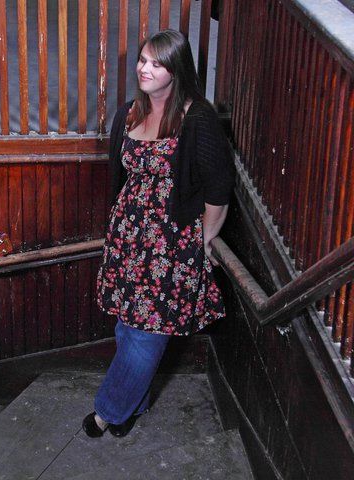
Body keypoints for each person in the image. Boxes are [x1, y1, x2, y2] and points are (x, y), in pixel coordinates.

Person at [83, 30, 234, 438]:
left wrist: (202, 242)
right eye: (143, 60)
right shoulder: (129, 113)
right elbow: (121, 178)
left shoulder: (197, 119)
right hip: (127, 240)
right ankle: (135, 404)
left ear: (176, 70)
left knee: (146, 336)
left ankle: (109, 411)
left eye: (156, 63)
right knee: (125, 327)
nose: (144, 69)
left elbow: (219, 189)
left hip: (171, 245)